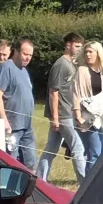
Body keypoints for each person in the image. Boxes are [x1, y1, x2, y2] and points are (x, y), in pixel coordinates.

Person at [37, 32, 86, 185]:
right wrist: (55, 118)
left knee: (51, 149)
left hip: (67, 112)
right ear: (68, 45)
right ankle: (85, 183)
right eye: (77, 46)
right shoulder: (61, 65)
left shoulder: (72, 64)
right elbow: (54, 92)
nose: (80, 49)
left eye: (81, 46)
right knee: (78, 148)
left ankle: (40, 180)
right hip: (63, 114)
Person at [73, 41, 103, 174]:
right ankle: (89, 183)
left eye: (91, 52)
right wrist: (78, 116)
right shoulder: (82, 71)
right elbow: (76, 94)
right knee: (94, 152)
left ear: (98, 53)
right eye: (86, 52)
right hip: (89, 116)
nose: (88, 55)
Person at [0, 39, 36, 169]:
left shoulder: (24, 70)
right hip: (12, 127)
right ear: (16, 51)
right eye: (25, 54)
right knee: (9, 164)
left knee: (30, 163)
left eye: (30, 55)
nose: (28, 58)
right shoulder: (6, 68)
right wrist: (4, 120)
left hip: (26, 126)